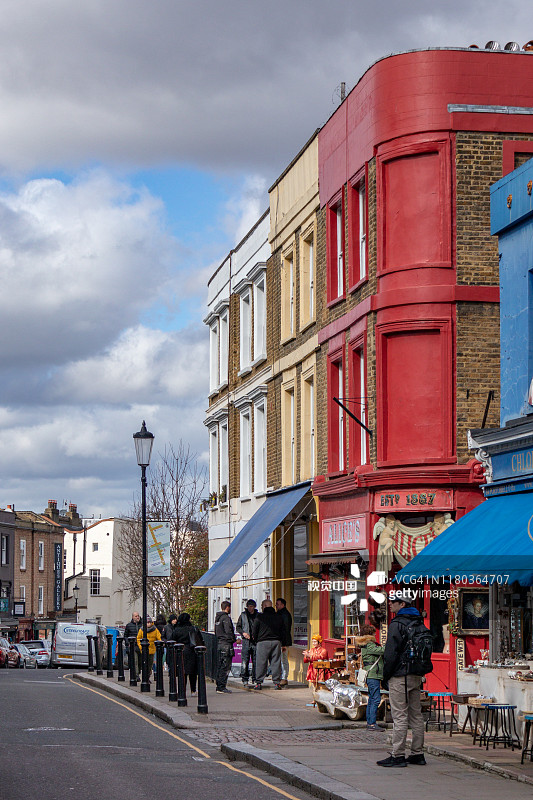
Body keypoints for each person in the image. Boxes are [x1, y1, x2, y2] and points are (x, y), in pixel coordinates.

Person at [377, 590, 427, 768]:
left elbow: (390, 653)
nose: (391, 604)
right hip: (416, 674)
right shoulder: (419, 622)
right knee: (416, 715)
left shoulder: (397, 623)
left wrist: (385, 676)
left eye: (394, 602)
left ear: (402, 604)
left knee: (399, 715)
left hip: (400, 674)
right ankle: (417, 754)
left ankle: (397, 754)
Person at [354, 623, 385, 732]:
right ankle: (372, 724)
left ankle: (370, 722)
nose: (376, 635)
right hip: (373, 675)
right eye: (374, 634)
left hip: (372, 675)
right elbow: (382, 651)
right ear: (370, 635)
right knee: (375, 699)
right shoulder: (369, 645)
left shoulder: (365, 645)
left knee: (372, 698)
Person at [252, 599, 284, 690]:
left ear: (265, 606)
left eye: (262, 606)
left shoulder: (259, 617)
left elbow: (255, 631)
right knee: (276, 662)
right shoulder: (278, 616)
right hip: (276, 641)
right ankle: (277, 683)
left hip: (262, 642)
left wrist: (256, 639)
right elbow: (283, 630)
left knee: (261, 663)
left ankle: (259, 682)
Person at [172, 612, 203, 694]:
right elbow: (200, 640)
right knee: (193, 673)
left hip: (180, 651)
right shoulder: (193, 628)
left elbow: (172, 640)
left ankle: (182, 690)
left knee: (182, 673)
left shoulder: (177, 630)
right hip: (192, 651)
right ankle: (193, 690)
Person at [214, 600, 236, 694]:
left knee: (220, 665)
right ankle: (222, 686)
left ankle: (219, 685)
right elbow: (228, 631)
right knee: (226, 666)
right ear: (227, 607)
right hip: (226, 644)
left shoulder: (217, 618)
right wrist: (234, 639)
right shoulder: (226, 618)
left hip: (219, 643)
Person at [236, 599, 258, 686]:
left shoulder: (258, 615)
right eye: (248, 606)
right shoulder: (243, 615)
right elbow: (238, 627)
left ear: (254, 607)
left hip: (255, 641)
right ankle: (245, 678)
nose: (250, 608)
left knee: (256, 661)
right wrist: (243, 633)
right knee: (245, 660)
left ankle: (255, 678)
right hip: (246, 641)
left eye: (251, 606)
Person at [136, 615, 161, 679]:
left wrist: (160, 643)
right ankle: (145, 678)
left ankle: (147, 677)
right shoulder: (141, 630)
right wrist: (140, 646)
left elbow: (159, 637)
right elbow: (138, 638)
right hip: (144, 650)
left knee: (150, 665)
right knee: (144, 664)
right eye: (147, 622)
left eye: (150, 622)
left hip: (152, 650)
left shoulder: (155, 629)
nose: (149, 624)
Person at [275, 598, 292, 686]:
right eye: (276, 604)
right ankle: (281, 676)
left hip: (283, 641)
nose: (276, 606)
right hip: (280, 640)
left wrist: (284, 644)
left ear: (283, 605)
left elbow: (285, 629)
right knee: (280, 659)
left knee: (283, 659)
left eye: (278, 604)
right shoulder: (279, 614)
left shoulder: (285, 615)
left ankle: (284, 677)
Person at [124, 611, 142, 680]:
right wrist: (128, 643)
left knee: (140, 661)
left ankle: (138, 672)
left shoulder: (142, 625)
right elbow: (125, 635)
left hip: (140, 646)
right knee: (135, 661)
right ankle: (136, 675)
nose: (137, 617)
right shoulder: (129, 625)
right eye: (136, 616)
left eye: (138, 616)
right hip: (133, 645)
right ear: (132, 617)